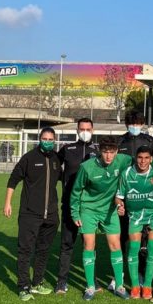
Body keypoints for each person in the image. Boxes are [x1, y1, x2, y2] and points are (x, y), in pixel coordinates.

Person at [3, 127, 62, 301]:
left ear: (54, 140)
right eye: (45, 138)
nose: (48, 141)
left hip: (51, 214)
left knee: (43, 250)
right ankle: (23, 287)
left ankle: (37, 283)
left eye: (51, 139)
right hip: (30, 213)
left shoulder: (56, 159)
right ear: (39, 139)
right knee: (25, 250)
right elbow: (13, 179)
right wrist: (8, 203)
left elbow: (64, 179)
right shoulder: (29, 158)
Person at [70, 136, 132, 301]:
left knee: (115, 245)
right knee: (89, 244)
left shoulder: (123, 161)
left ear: (117, 152)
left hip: (109, 210)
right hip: (88, 209)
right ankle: (90, 287)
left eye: (112, 152)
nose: (109, 156)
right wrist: (75, 212)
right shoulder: (87, 167)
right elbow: (76, 191)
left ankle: (119, 285)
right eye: (105, 152)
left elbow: (143, 161)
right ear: (100, 151)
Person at [55, 118, 98, 294]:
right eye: (82, 128)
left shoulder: (98, 150)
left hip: (89, 206)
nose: (85, 131)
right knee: (67, 244)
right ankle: (61, 282)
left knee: (90, 245)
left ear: (93, 130)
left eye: (88, 129)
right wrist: (66, 184)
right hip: (69, 204)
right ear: (77, 130)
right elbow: (55, 168)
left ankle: (92, 281)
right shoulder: (67, 149)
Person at [117, 110, 153, 290]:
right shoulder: (120, 141)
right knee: (125, 238)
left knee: (146, 241)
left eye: (138, 123)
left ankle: (144, 275)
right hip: (126, 196)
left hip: (146, 200)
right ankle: (123, 273)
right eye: (132, 124)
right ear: (127, 125)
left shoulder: (149, 141)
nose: (135, 127)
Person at [115, 146, 153, 300]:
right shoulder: (126, 174)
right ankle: (135, 286)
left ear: (151, 159)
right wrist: (119, 206)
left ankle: (147, 286)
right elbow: (119, 196)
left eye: (146, 158)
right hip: (134, 216)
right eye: (140, 157)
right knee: (133, 248)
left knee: (152, 249)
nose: (143, 161)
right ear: (136, 158)